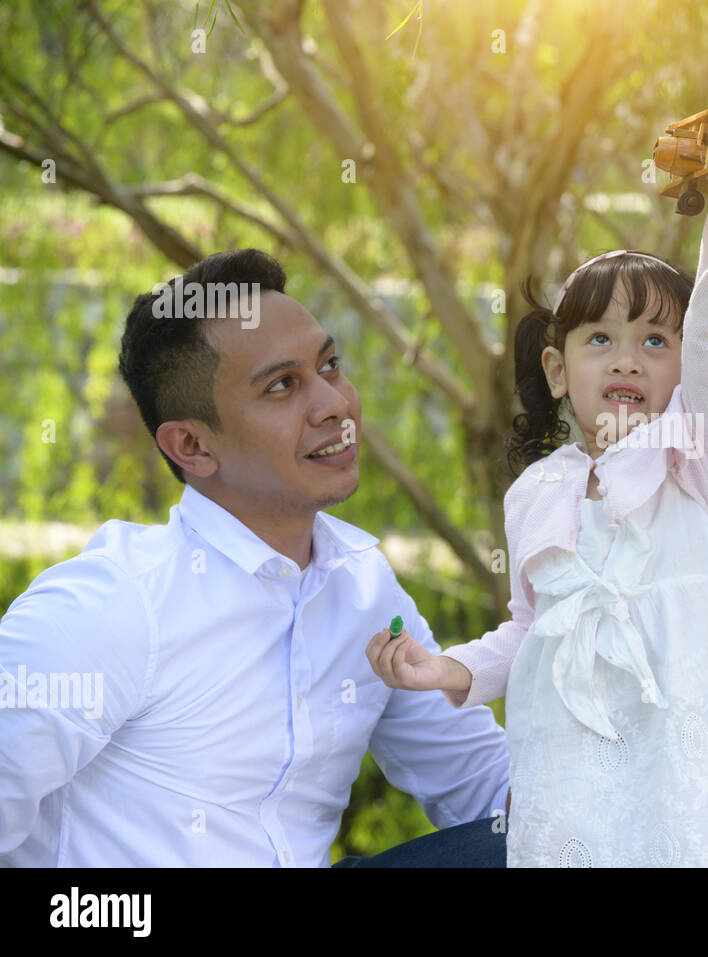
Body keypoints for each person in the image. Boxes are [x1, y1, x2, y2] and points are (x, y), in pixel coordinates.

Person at [367, 156, 708, 866]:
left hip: (678, 794)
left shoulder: (692, 456)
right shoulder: (536, 493)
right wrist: (446, 670)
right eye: (600, 340)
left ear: (682, 369)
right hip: (567, 786)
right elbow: (529, 628)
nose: (628, 360)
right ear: (557, 371)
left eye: (655, 341)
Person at [0, 249, 511, 867]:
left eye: (329, 367)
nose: (335, 405)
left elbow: (489, 792)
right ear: (192, 445)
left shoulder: (361, 589)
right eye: (282, 386)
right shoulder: (112, 604)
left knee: (546, 842)